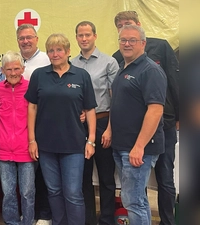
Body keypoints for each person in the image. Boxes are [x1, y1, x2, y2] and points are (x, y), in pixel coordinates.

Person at [112, 11, 179, 225]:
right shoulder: (124, 67)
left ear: (143, 43)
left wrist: (139, 146)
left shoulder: (150, 70)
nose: (127, 44)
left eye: (132, 40)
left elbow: (155, 111)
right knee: (135, 199)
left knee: (133, 201)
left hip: (138, 148)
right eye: (123, 40)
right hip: (123, 145)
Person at [25, 33, 97, 225]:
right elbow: (32, 107)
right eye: (51, 50)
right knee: (54, 191)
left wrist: (91, 140)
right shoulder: (39, 75)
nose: (55, 54)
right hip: (46, 146)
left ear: (68, 52)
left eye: (59, 50)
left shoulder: (81, 76)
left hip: (74, 145)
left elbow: (90, 109)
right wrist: (32, 140)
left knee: (73, 193)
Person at [70, 21, 119, 225]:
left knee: (107, 177)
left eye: (87, 35)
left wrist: (110, 129)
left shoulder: (109, 63)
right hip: (79, 125)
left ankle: (106, 219)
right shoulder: (71, 64)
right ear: (77, 38)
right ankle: (88, 219)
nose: (84, 38)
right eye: (80, 35)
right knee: (83, 176)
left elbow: (117, 99)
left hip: (102, 123)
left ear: (95, 36)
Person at [0, 51, 35, 225]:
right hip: (3, 148)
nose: (13, 73)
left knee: (27, 191)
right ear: (2, 70)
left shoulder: (30, 87)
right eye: (9, 69)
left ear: (23, 69)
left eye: (16, 68)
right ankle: (11, 222)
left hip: (25, 148)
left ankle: (27, 221)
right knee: (8, 192)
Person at [16, 23, 51, 225]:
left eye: (29, 37)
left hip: (43, 123)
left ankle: (45, 214)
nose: (26, 41)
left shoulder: (46, 60)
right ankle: (30, 213)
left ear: (37, 39)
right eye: (22, 38)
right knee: (27, 173)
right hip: (21, 125)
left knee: (44, 171)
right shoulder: (16, 60)